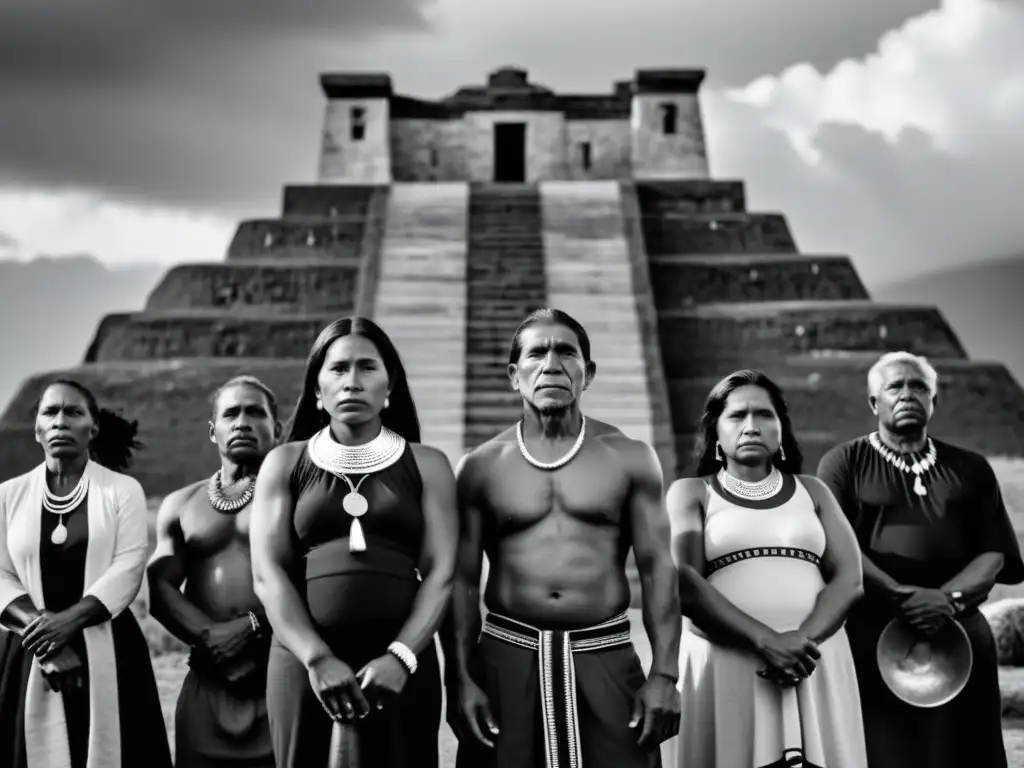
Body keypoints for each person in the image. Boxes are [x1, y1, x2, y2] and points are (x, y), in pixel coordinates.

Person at [444, 308, 682, 768]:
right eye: (536, 353)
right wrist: (460, 680)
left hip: (605, 656)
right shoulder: (480, 466)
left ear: (587, 372)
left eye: (565, 352)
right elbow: (461, 581)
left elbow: (658, 570)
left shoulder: (629, 457)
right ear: (515, 375)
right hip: (506, 658)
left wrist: (665, 674)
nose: (551, 364)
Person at [249, 316, 458, 768]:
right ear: (318, 389)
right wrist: (317, 657)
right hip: (302, 663)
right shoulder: (284, 463)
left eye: (367, 368)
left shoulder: (429, 464)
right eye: (338, 369)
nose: (352, 382)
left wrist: (401, 658)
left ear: (391, 384)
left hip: (402, 664)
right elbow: (268, 574)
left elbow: (442, 572)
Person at [816, 351, 1024, 768]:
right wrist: (898, 595)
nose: (907, 394)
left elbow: (994, 551)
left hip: (960, 628)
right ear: (874, 402)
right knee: (886, 750)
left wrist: (945, 600)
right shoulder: (843, 464)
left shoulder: (971, 468)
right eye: (895, 386)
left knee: (966, 749)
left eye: (919, 387)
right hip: (872, 630)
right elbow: (835, 545)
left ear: (934, 401)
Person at [660, 369, 867, 768]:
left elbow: (850, 579)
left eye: (764, 415)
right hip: (728, 661)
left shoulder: (813, 491)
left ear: (781, 429)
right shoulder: (691, 493)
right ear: (715, 432)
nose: (751, 426)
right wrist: (765, 641)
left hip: (813, 662)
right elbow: (683, 581)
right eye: (737, 416)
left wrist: (798, 644)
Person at [0, 378, 173, 768]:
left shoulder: (121, 490)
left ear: (92, 428)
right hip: (29, 649)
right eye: (51, 412)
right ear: (37, 429)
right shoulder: (7, 495)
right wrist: (49, 641)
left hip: (107, 643)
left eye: (74, 412)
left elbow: (128, 566)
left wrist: (66, 624)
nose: (61, 421)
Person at [146, 375, 282, 767]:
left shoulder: (298, 498)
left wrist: (254, 627)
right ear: (213, 430)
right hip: (209, 678)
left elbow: (315, 581)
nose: (242, 422)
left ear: (278, 427)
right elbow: (160, 587)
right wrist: (213, 639)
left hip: (279, 674)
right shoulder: (180, 504)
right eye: (231, 413)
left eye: (255, 412)